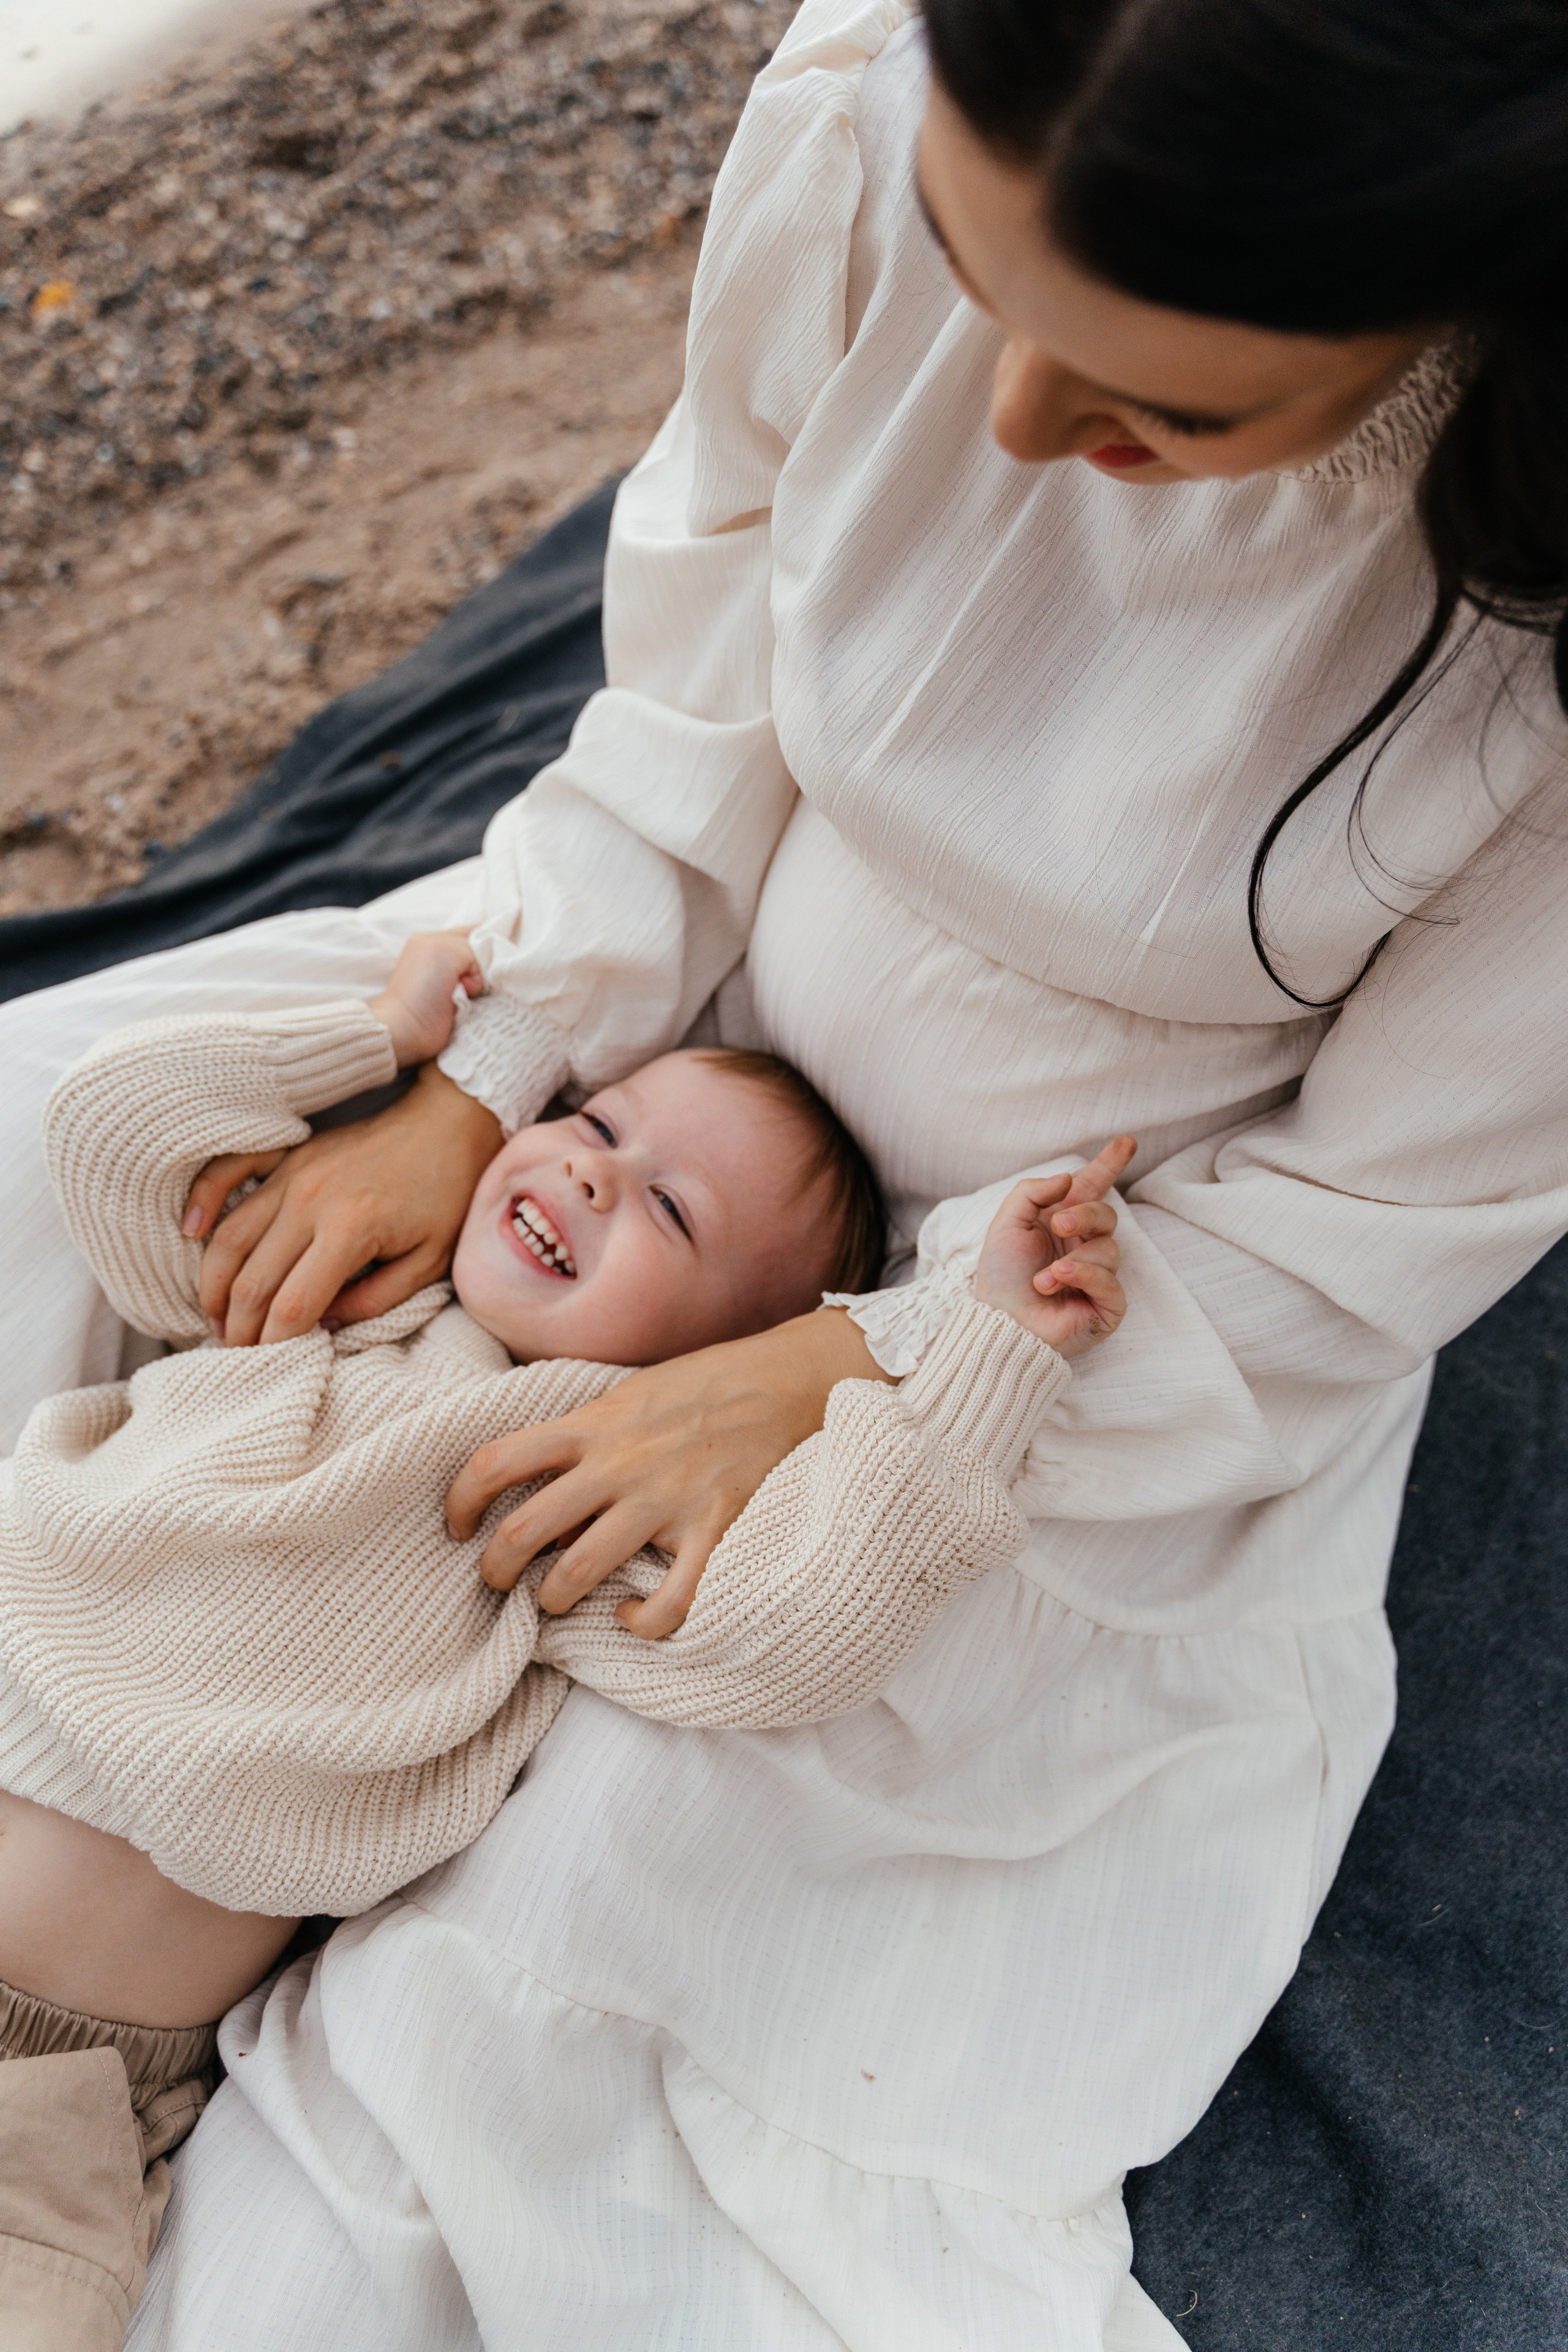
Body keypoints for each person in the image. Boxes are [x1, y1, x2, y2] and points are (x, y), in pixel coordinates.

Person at [0, 0, 1559, 2340]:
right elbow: (710, 676)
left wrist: (856, 1371)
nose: (1010, 424)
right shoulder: (868, 108)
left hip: (1081, 1327)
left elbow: (1358, 1254)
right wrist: (498, 1058)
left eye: (1165, 401)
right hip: (667, 1039)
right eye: (975, 279)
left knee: (531, 2092)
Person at [0, 927, 1130, 2345]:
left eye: (670, 1215)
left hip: (59, 2091)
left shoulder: (582, 1504)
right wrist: (425, 1052)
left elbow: (800, 1628)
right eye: (595, 1125)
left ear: (714, 1360)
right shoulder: (315, 1294)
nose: (595, 1169)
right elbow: (109, 1129)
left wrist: (984, 1354)